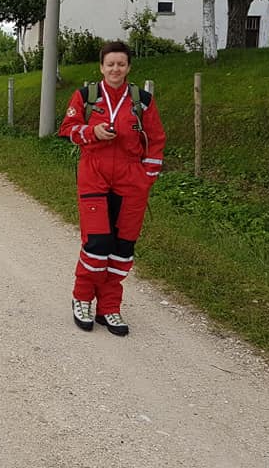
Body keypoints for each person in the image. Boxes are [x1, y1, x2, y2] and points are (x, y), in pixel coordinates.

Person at [58, 41, 166, 336]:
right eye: (110, 64)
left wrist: (148, 175)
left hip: (132, 180)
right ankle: (82, 298)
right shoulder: (86, 96)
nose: (115, 69)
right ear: (101, 67)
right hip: (94, 175)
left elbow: (156, 138)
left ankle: (109, 307)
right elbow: (67, 129)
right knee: (98, 244)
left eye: (121, 64)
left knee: (122, 248)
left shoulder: (142, 100)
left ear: (128, 67)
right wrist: (92, 132)